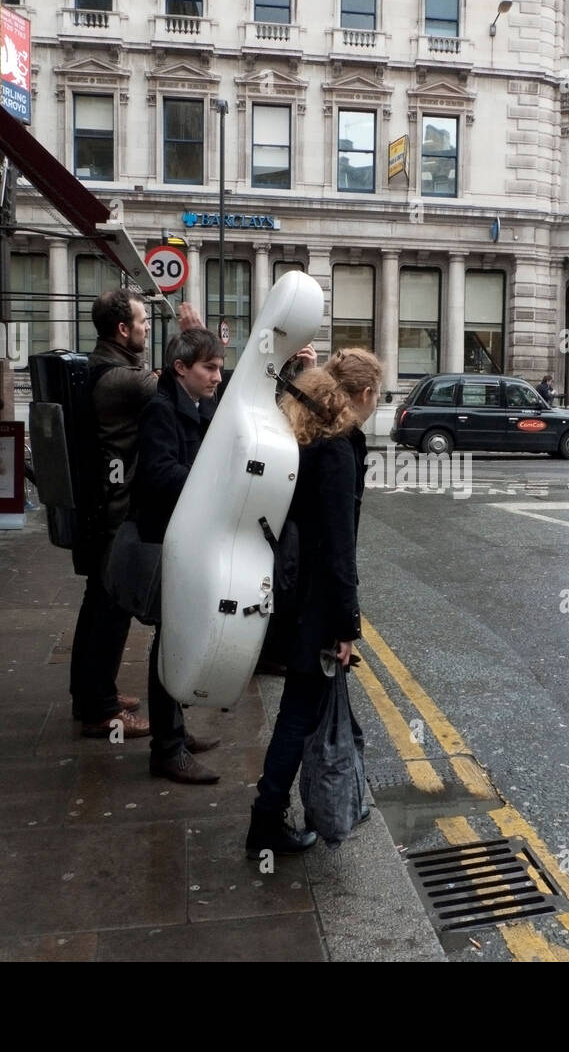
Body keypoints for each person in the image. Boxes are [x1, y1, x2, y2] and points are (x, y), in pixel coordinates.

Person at [246, 348, 384, 858]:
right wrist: (346, 626)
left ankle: (309, 808)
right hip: (315, 604)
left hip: (291, 591)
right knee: (300, 713)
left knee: (303, 710)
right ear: (364, 394)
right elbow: (338, 548)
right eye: (378, 394)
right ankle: (266, 822)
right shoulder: (337, 448)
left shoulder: (306, 435)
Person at [131, 328, 227, 784]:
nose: (217, 376)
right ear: (181, 368)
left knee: (180, 637)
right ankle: (167, 750)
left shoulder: (196, 403)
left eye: (220, 366)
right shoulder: (160, 410)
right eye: (209, 368)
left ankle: (175, 732)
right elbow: (159, 474)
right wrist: (211, 478)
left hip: (187, 536)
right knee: (171, 641)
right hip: (167, 540)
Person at [68, 288, 156, 737]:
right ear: (122, 329)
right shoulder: (124, 379)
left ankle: (91, 693)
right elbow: (189, 392)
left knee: (99, 606)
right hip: (115, 514)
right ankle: (101, 710)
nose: (146, 327)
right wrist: (195, 336)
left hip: (99, 509)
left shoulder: (102, 367)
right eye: (142, 322)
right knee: (110, 608)